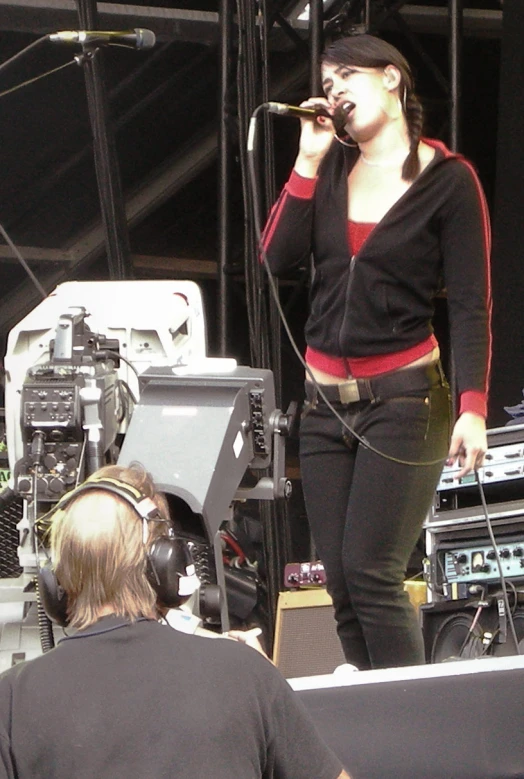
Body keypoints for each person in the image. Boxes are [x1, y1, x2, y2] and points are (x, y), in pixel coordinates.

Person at [262, 34, 491, 670]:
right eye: (326, 81)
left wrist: (472, 407)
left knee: (372, 572)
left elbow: (472, 304)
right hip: (323, 408)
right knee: (339, 583)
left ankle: (412, 732)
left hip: (405, 400)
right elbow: (276, 260)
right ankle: (377, 719)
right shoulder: (330, 169)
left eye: (347, 76)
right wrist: (306, 163)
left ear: (392, 79)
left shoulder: (449, 182)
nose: (333, 90)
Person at [0, 464, 350, 779]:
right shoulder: (243, 672)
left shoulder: (10, 699)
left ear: (56, 584)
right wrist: (264, 689)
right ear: (165, 563)